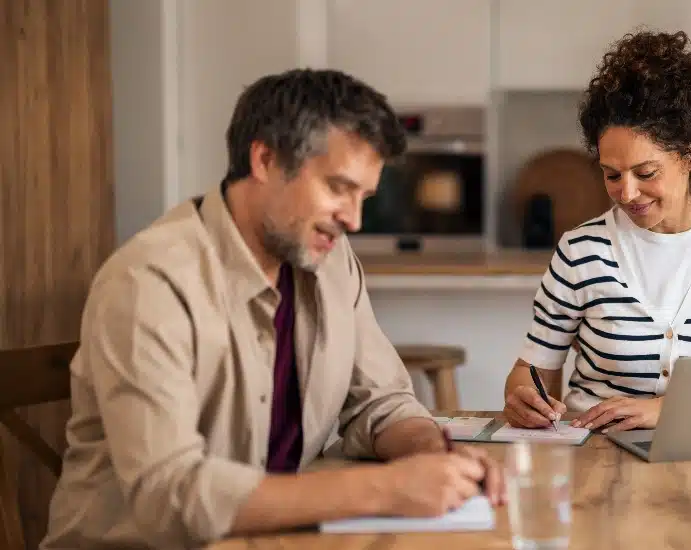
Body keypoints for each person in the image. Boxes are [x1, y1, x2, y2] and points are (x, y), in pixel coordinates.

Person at [41, 69, 503, 550]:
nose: (354, 219)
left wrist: (435, 457)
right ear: (264, 159)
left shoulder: (330, 258)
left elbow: (380, 402)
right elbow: (170, 497)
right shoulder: (149, 282)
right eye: (337, 188)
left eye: (363, 197)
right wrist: (386, 489)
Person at [502, 30, 691, 433]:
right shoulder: (580, 251)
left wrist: (665, 410)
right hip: (595, 454)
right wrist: (522, 397)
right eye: (611, 175)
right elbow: (531, 371)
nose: (627, 192)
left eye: (646, 172)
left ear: (690, 154)